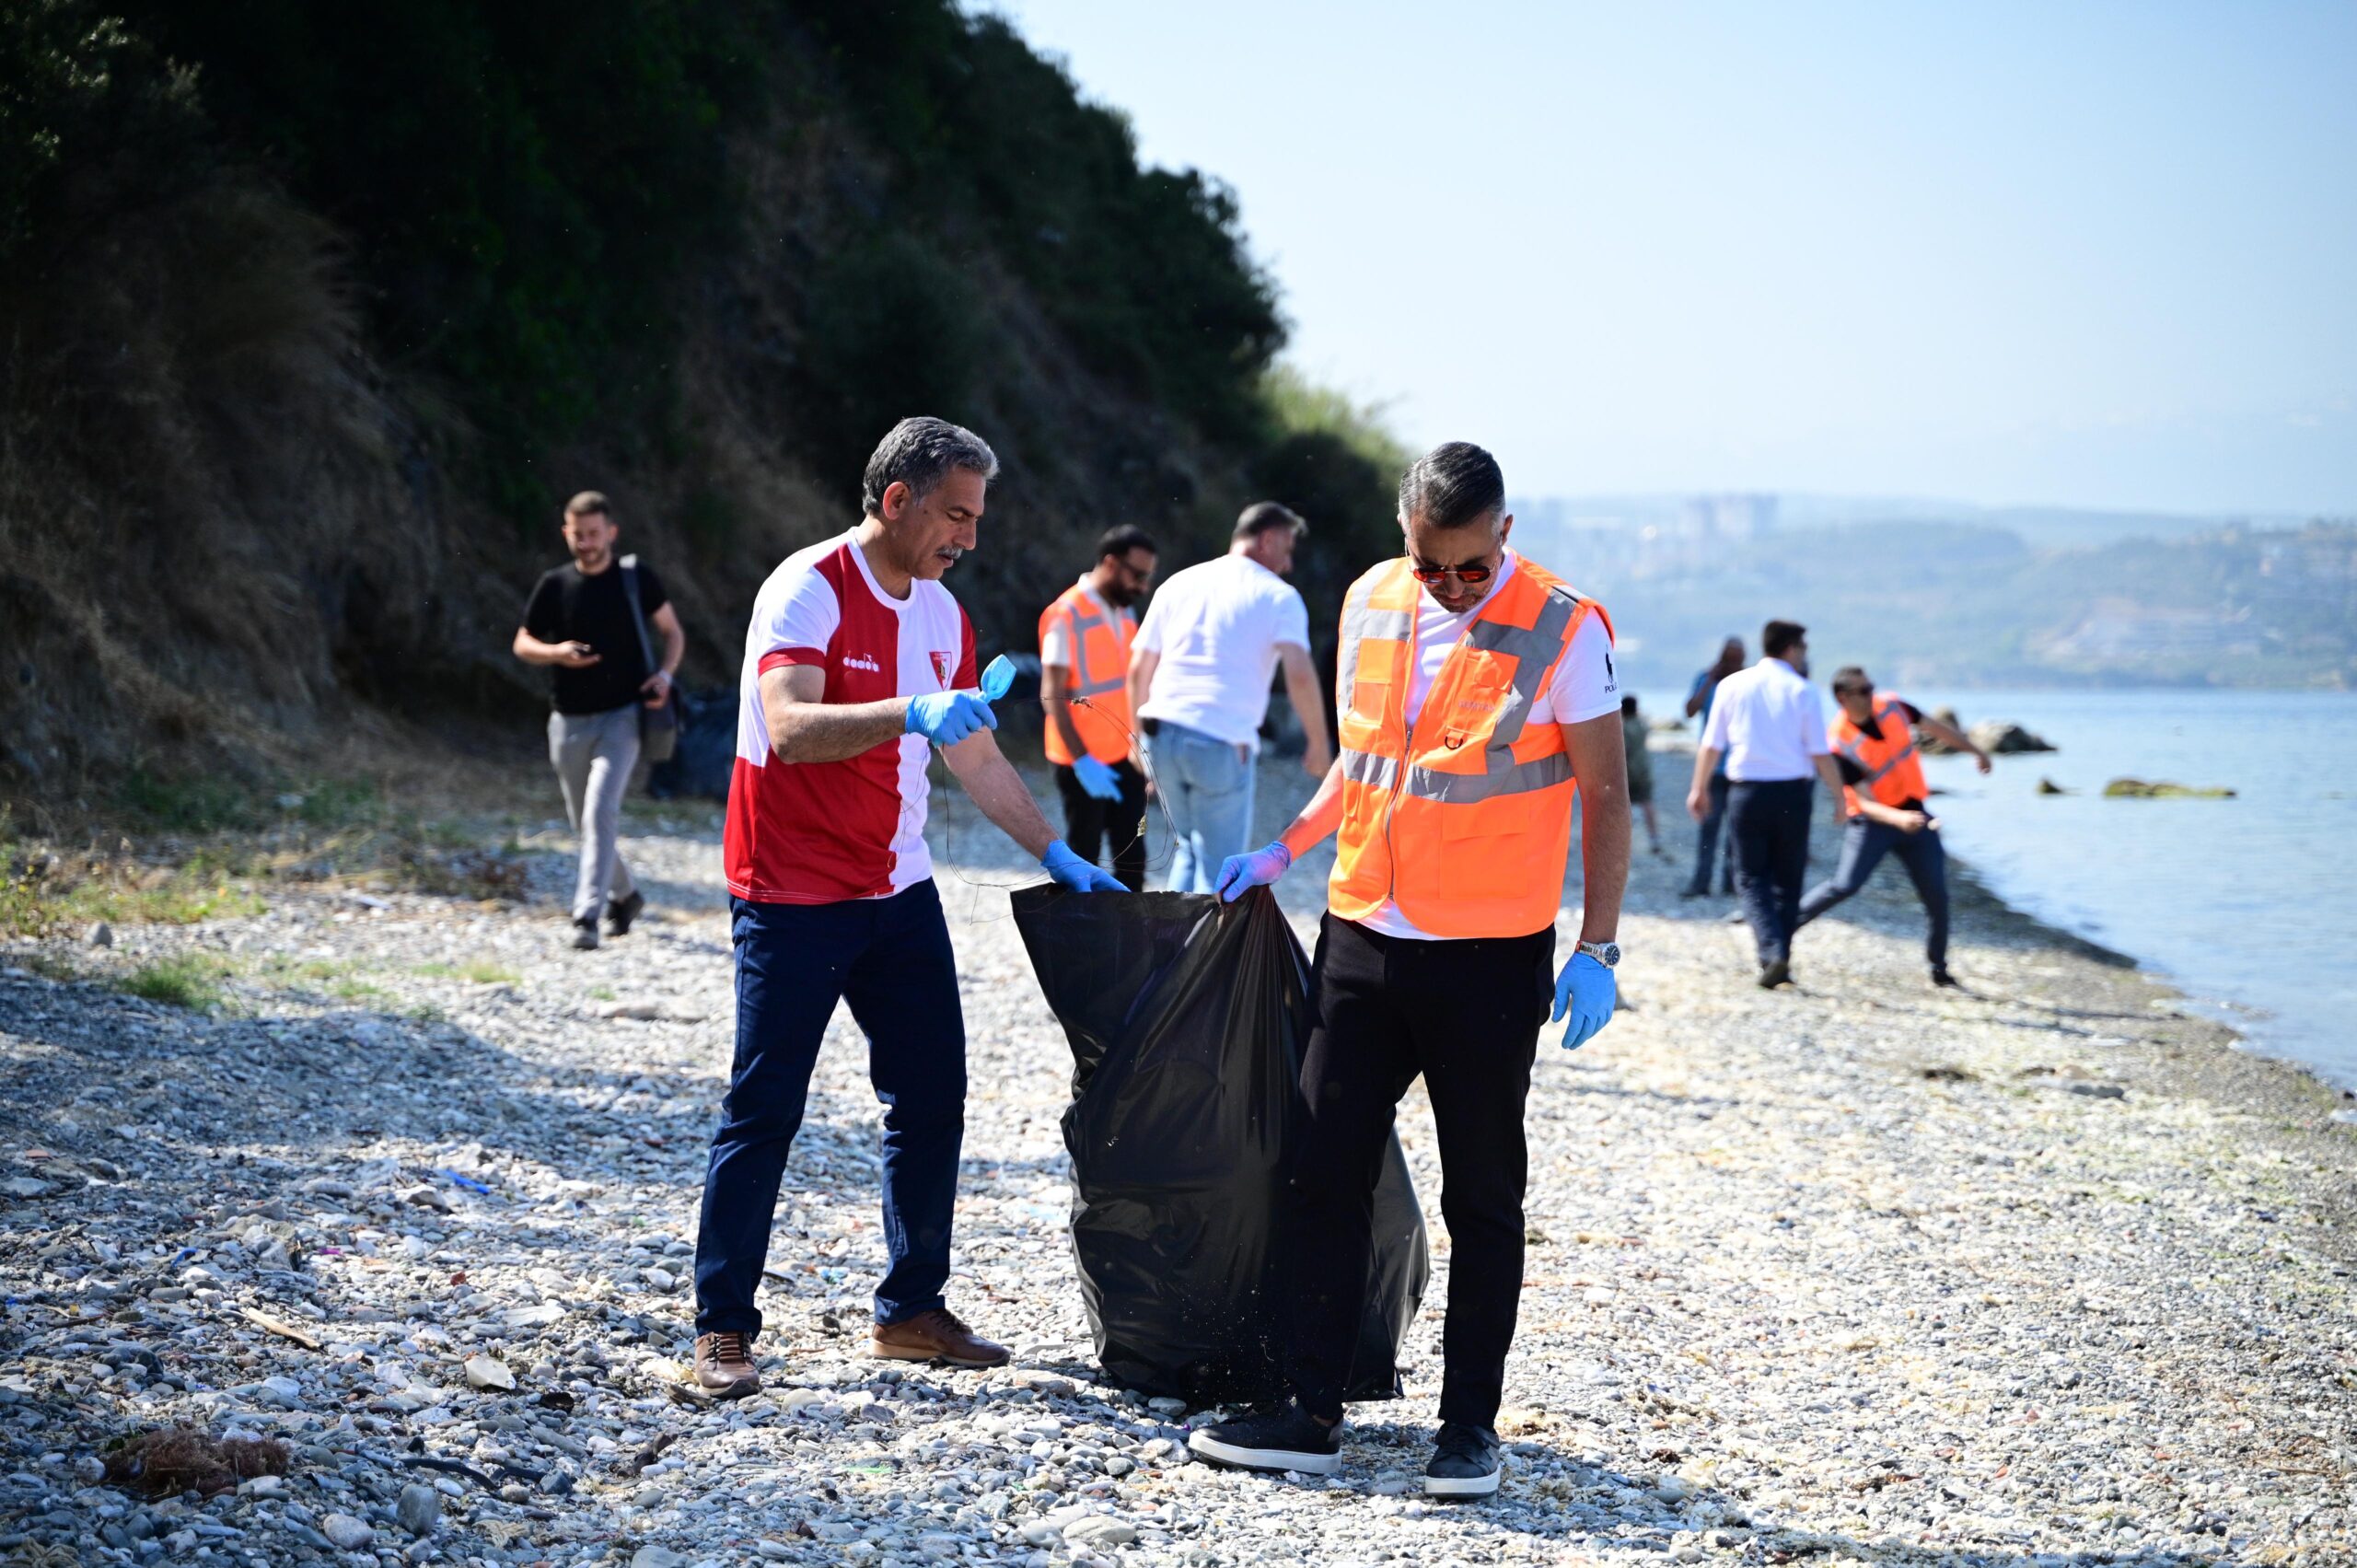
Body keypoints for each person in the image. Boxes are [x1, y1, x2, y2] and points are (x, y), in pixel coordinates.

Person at [1188, 442, 1630, 1500]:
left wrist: (1598, 944)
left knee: (1483, 1194)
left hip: (1488, 955)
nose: (1451, 587)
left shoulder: (1567, 626)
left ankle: (1467, 1425)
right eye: (1432, 564)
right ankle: (1308, 1406)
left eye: (1472, 566)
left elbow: (1605, 793)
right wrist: (1285, 848)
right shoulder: (1373, 600)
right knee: (1318, 1170)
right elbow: (1364, 758)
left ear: (1505, 534)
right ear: (1404, 537)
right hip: (1362, 939)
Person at [689, 419, 1124, 1400]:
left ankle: (911, 1310)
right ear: (897, 500)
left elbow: (974, 757)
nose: (967, 538)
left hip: (897, 885)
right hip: (790, 889)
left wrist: (1055, 851)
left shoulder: (942, 614)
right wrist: (910, 708)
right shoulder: (807, 587)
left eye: (976, 518)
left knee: (931, 1097)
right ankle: (722, 1328)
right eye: (956, 515)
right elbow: (792, 727)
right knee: (764, 1107)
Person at [1124, 503, 1333, 892]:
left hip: (1161, 735)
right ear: (1267, 539)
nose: (1288, 564)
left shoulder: (1179, 582)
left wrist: (1136, 739)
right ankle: (1203, 952)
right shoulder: (1278, 596)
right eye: (1286, 550)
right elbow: (1300, 675)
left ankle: (1176, 950)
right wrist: (1319, 745)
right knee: (1220, 867)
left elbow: (1139, 668)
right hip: (1218, 741)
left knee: (1188, 847)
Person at [513, 491, 685, 950]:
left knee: (599, 812)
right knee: (583, 822)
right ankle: (626, 895)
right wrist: (556, 653)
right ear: (566, 534)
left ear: (611, 532)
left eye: (595, 533)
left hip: (623, 717)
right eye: (578, 534)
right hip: (567, 722)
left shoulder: (635, 579)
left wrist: (665, 676)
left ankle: (586, 915)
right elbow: (522, 642)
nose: (587, 542)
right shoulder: (555, 584)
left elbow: (673, 632)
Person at [1794, 668, 1991, 986]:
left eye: (1871, 687)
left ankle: (1939, 968)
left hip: (1915, 813)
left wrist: (1975, 750)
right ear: (1843, 698)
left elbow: (1937, 728)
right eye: (1863, 690)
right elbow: (1861, 801)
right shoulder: (1838, 743)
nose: (1871, 694)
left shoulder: (1894, 706)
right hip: (1872, 823)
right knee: (1845, 885)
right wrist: (1897, 819)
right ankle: (1780, 930)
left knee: (1937, 896)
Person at [1685, 620, 1845, 989]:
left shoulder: (1733, 685)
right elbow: (1820, 753)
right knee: (1788, 880)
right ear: (1791, 648)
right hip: (1793, 793)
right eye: (1802, 648)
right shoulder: (1803, 690)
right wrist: (1839, 796)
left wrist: (1699, 788)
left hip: (1747, 793)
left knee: (1750, 876)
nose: (1804, 654)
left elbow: (1711, 744)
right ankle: (1780, 954)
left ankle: (1771, 954)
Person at [1039, 526, 1157, 890]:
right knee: (1083, 859)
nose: (1142, 586)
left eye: (1147, 578)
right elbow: (1052, 695)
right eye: (1137, 575)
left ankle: (1131, 938)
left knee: (1133, 858)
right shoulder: (1066, 614)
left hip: (1124, 756)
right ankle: (1082, 939)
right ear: (1110, 563)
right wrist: (1081, 761)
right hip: (1082, 761)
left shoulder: (1123, 612)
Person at [1680, 636, 1744, 897]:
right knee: (1709, 827)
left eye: (1736, 658)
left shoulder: (1746, 683)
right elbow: (1690, 710)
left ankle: (1732, 883)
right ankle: (1701, 882)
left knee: (1737, 831)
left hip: (1740, 768)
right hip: (1714, 768)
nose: (1732, 662)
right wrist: (1710, 680)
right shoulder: (1706, 679)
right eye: (1728, 657)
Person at [1621, 695, 1661, 854]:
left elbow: (1623, 751)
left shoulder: (1624, 728)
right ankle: (1654, 837)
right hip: (1644, 769)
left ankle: (1624, 838)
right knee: (1647, 803)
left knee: (1624, 805)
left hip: (1630, 771)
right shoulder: (1642, 724)